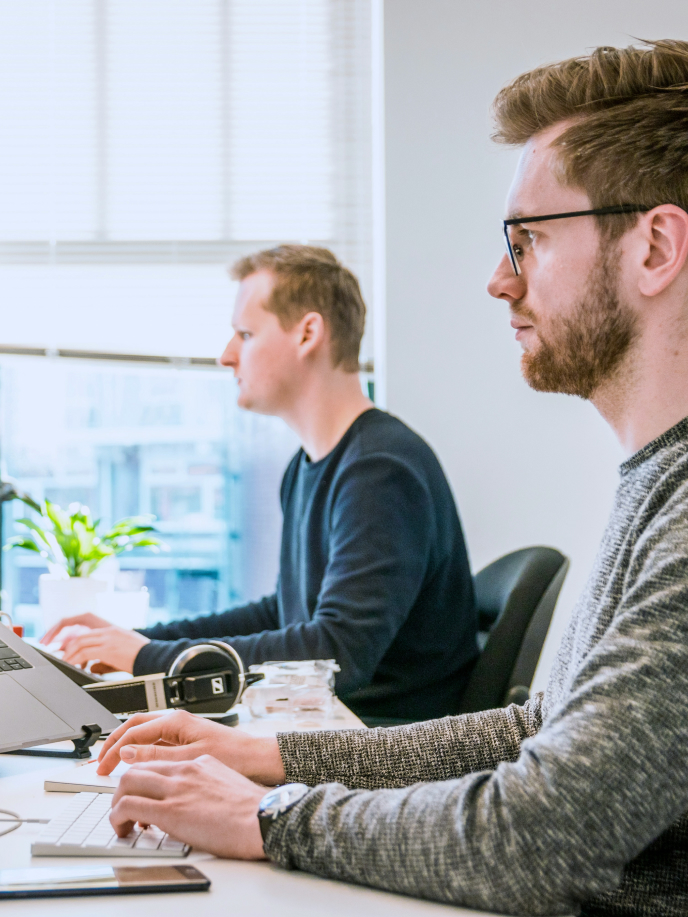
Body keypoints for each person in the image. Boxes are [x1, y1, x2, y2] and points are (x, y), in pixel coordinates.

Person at [95, 40, 688, 915]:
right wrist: (272, 758)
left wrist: (269, 815)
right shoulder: (653, 483)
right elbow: (537, 731)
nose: (497, 280)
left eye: (526, 241)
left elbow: (545, 827)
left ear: (655, 247)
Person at [43, 245, 478, 722]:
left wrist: (147, 659)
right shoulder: (309, 466)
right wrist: (143, 640)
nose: (226, 356)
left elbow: (337, 654)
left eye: (245, 334)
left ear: (308, 333)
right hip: (330, 727)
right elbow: (284, 614)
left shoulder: (381, 471)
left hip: (379, 746)